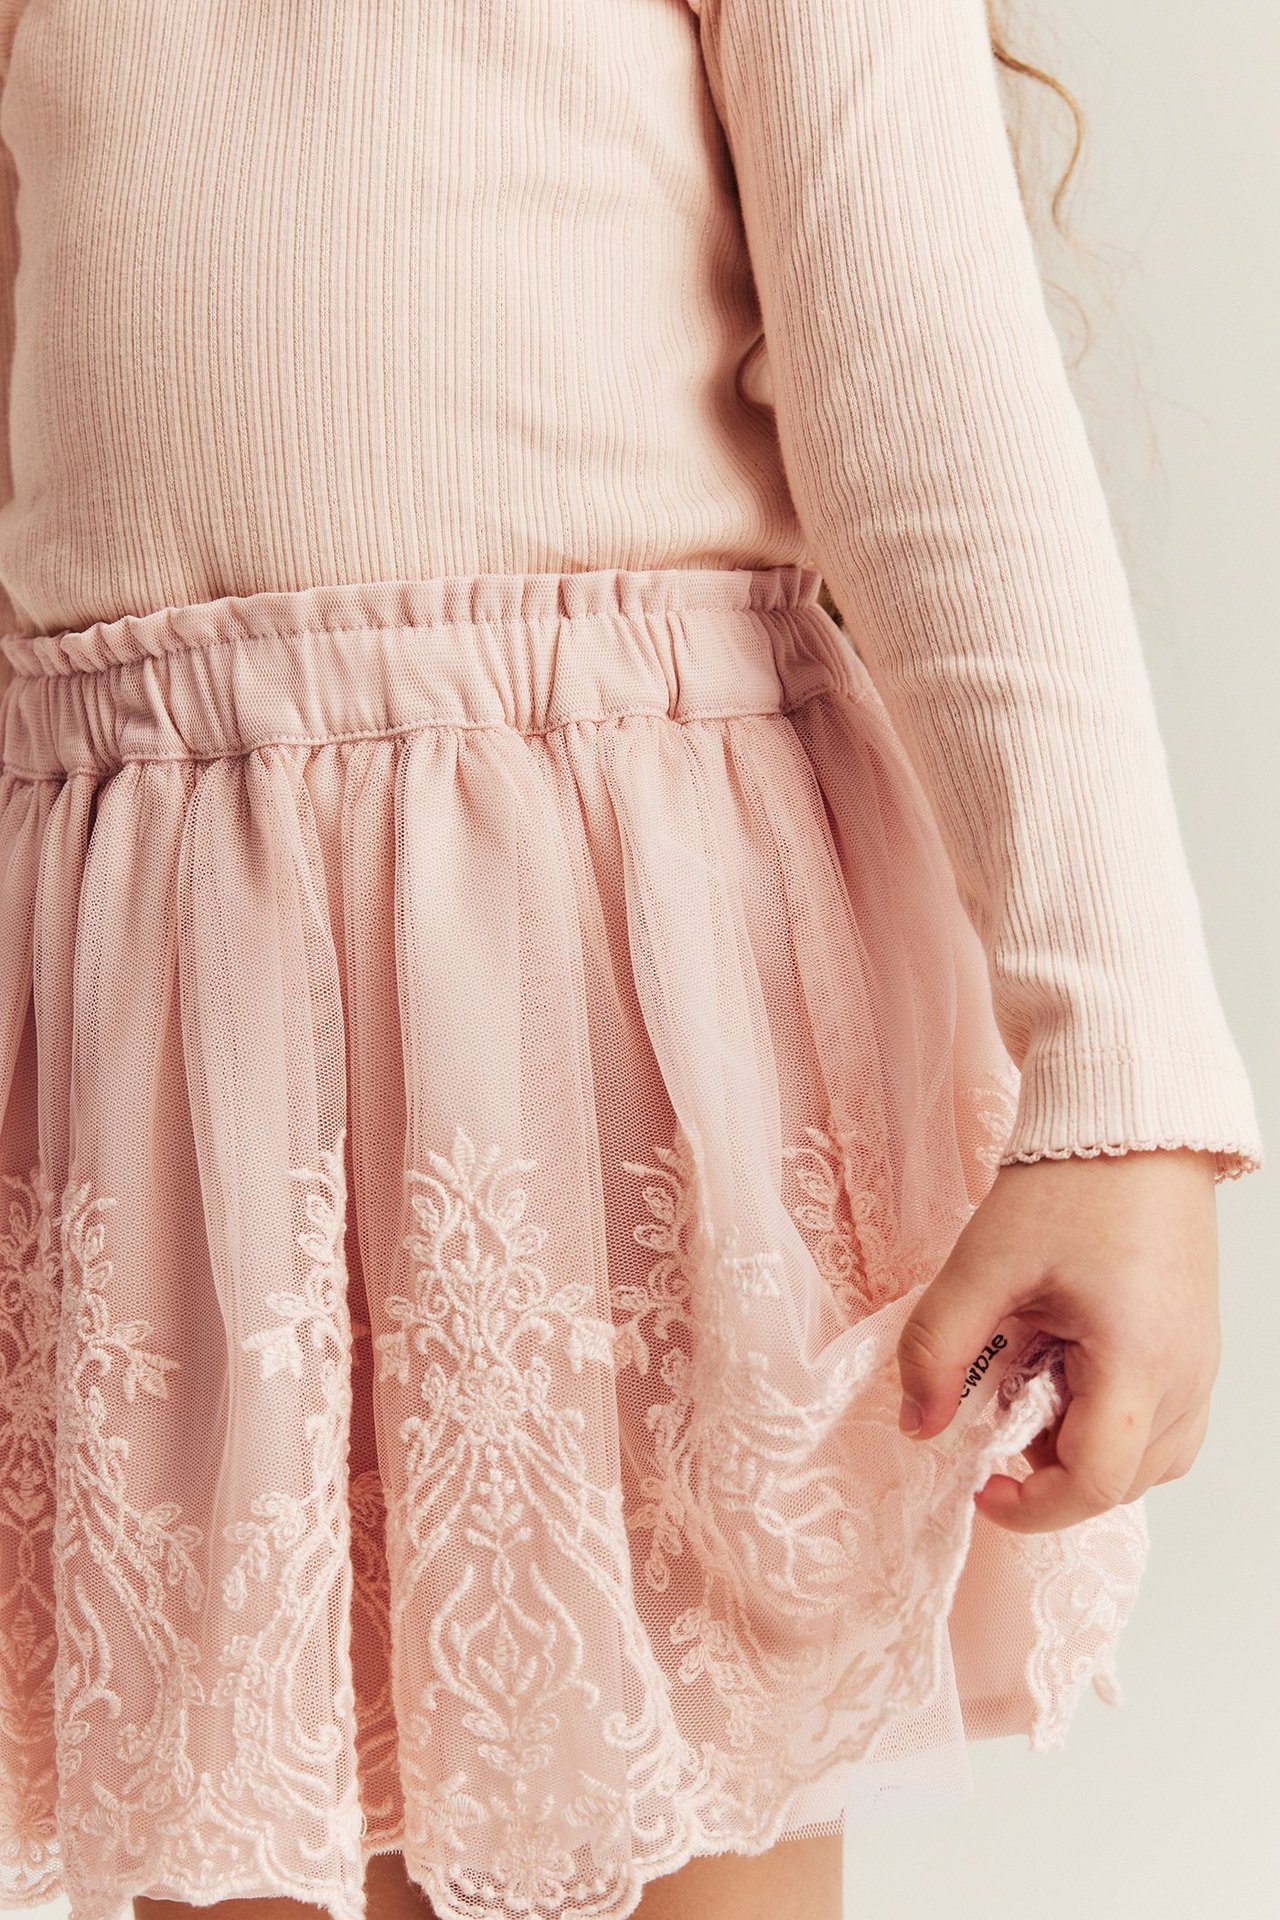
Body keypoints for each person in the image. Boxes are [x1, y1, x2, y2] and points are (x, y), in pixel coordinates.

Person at [0, 3, 1262, 1919]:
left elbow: (938, 406)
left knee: (683, 1835)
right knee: (225, 1819)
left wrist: (1119, 1091)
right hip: (179, 1013)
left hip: (622, 1006)